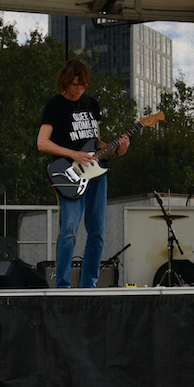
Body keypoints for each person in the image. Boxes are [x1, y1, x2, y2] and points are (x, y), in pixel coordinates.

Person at [37, 59, 129, 288]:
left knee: (97, 231)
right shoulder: (54, 106)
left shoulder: (92, 104)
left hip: (96, 174)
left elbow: (96, 142)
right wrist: (73, 154)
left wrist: (117, 149)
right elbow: (42, 143)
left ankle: (90, 284)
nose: (79, 89)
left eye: (83, 85)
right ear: (65, 83)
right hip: (69, 174)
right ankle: (63, 285)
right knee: (68, 231)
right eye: (75, 85)